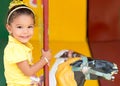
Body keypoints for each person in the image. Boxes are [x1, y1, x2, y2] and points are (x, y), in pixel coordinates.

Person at [4, 0, 51, 86]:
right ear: (9, 28)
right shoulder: (15, 48)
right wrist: (45, 59)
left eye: (29, 26)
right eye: (20, 27)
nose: (25, 31)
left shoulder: (20, 46)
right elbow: (28, 71)